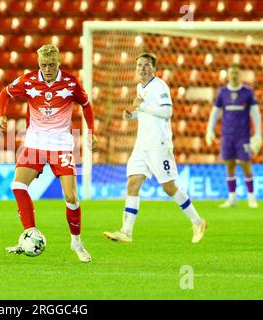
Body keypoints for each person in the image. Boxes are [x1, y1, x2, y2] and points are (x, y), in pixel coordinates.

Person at [0, 44, 97, 263]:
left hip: (61, 144)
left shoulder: (71, 83)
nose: (48, 69)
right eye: (44, 65)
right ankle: (30, 233)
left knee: (71, 196)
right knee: (18, 185)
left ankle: (76, 242)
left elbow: (86, 105)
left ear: (59, 63)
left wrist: (90, 132)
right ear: (38, 64)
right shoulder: (29, 80)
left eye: (52, 65)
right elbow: (4, 93)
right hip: (35, 142)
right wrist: (1, 115)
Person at [103, 52, 207, 244]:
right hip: (142, 144)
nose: (141, 68)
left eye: (146, 65)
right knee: (133, 183)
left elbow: (167, 111)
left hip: (158, 144)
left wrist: (142, 106)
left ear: (154, 69)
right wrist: (132, 116)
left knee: (169, 187)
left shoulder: (159, 86)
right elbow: (146, 113)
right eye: (139, 65)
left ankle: (198, 221)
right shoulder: (139, 87)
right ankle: (126, 231)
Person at [205, 64, 261, 208]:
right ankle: (232, 198)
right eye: (231, 73)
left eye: (236, 72)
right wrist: (209, 129)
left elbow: (255, 113)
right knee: (229, 166)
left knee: (246, 165)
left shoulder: (247, 92)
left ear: (240, 74)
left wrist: (258, 133)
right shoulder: (222, 92)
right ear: (228, 75)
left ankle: (251, 198)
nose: (234, 75)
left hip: (243, 137)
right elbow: (215, 112)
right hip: (227, 136)